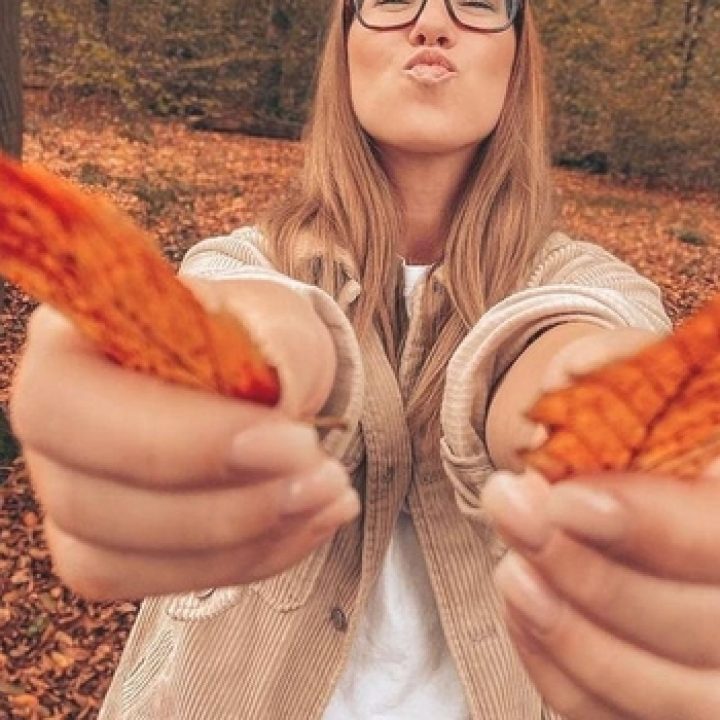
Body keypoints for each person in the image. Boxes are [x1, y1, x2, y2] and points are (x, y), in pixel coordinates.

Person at [9, 0, 720, 718]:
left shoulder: (599, 285)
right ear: (342, 43)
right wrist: (234, 374)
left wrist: (604, 417)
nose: (431, 24)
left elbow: (575, 347)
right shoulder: (241, 260)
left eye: (476, 2)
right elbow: (262, 317)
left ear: (518, 56)